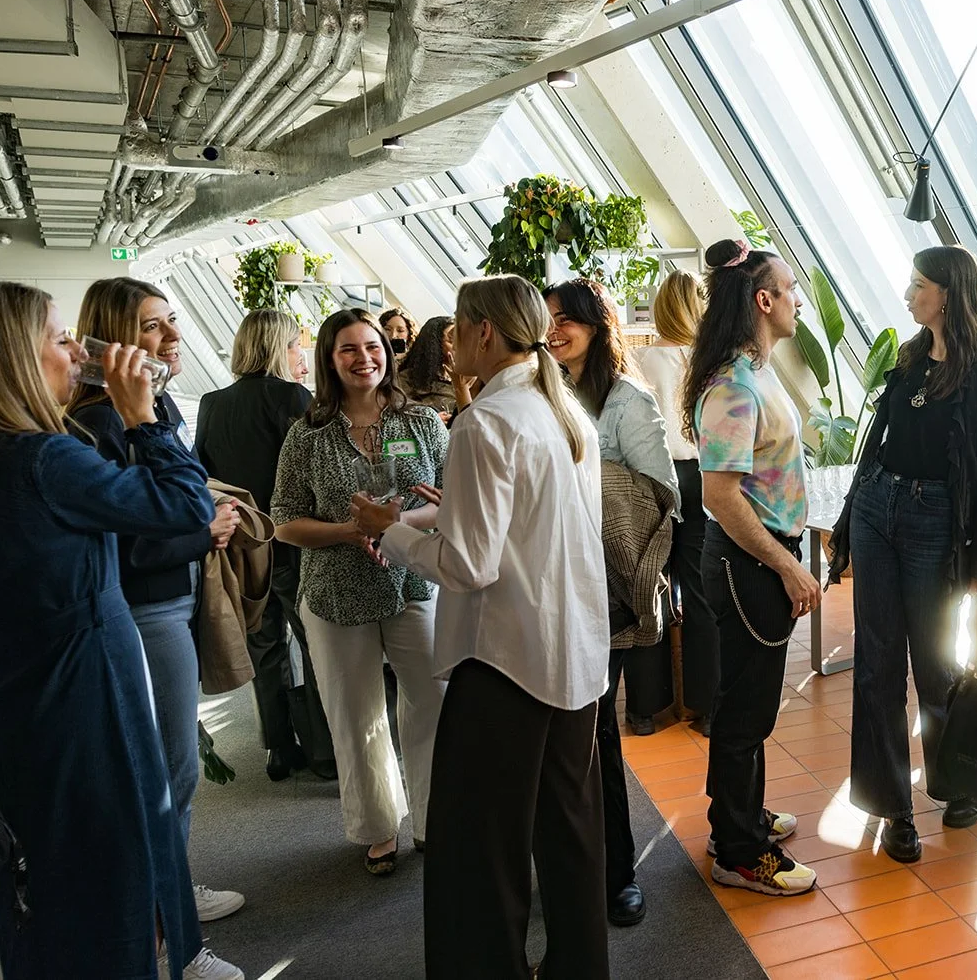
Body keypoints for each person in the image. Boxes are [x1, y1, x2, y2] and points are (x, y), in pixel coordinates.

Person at [349, 275, 611, 979]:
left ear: (484, 331)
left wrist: (392, 528)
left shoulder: (485, 422)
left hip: (504, 662)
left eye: (458, 328)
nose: (448, 341)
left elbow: (468, 563)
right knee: (570, 836)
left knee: (479, 855)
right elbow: (538, 529)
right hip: (572, 652)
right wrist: (453, 505)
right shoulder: (561, 409)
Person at [0, 280, 242, 980]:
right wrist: (144, 415)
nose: (75, 353)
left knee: (51, 881)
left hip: (21, 692)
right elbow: (187, 508)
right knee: (113, 867)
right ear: (15, 358)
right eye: (60, 339)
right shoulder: (48, 458)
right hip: (85, 686)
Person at [825, 246, 977, 862]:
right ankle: (893, 809)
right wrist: (855, 516)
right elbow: (878, 447)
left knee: (936, 662)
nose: (909, 296)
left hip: (938, 519)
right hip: (882, 507)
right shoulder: (909, 360)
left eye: (919, 286)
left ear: (950, 293)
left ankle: (959, 778)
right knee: (877, 662)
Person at [69, 278, 245, 925]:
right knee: (169, 772)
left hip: (171, 603)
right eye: (153, 325)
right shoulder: (100, 423)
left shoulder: (155, 407)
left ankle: (167, 891)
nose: (174, 337)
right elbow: (127, 544)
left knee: (172, 767)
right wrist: (207, 530)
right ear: (109, 339)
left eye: (173, 321)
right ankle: (165, 915)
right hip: (145, 611)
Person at [270, 308, 449, 875]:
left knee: (431, 701)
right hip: (334, 591)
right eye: (348, 349)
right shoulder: (308, 434)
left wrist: (401, 525)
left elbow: (453, 495)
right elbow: (283, 520)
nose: (365, 357)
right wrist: (353, 530)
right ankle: (377, 829)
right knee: (356, 715)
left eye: (373, 346)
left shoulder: (420, 421)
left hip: (414, 581)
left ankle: (432, 818)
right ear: (329, 358)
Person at [682, 238, 816, 896]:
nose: (798, 301)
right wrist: (787, 566)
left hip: (757, 560)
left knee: (750, 703)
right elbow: (720, 495)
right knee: (743, 712)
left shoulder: (754, 369)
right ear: (763, 301)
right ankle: (738, 849)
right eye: (790, 289)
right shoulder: (733, 385)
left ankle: (743, 816)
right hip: (747, 565)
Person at [543, 277, 678, 927]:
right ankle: (568, 865)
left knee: (594, 737)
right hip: (542, 589)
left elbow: (662, 495)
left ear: (598, 324)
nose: (555, 329)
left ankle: (615, 872)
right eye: (547, 319)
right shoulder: (538, 394)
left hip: (603, 591)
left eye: (569, 318)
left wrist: (584, 478)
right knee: (557, 739)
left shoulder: (626, 401)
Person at [196, 310, 337, 782]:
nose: (301, 355)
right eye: (296, 345)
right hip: (293, 540)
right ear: (279, 347)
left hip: (242, 544)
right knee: (314, 641)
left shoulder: (212, 404)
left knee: (265, 643)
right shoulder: (293, 398)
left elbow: (205, 477)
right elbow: (315, 471)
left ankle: (278, 746)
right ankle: (323, 749)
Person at [636, 271, 719, 737]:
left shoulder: (641, 359)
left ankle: (647, 707)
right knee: (701, 589)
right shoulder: (707, 362)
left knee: (649, 584)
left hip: (653, 477)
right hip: (700, 475)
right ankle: (706, 706)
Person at [398, 315, 458, 419]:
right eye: (452, 341)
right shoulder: (406, 379)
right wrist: (430, 420)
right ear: (434, 345)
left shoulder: (464, 379)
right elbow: (397, 414)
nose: (458, 346)